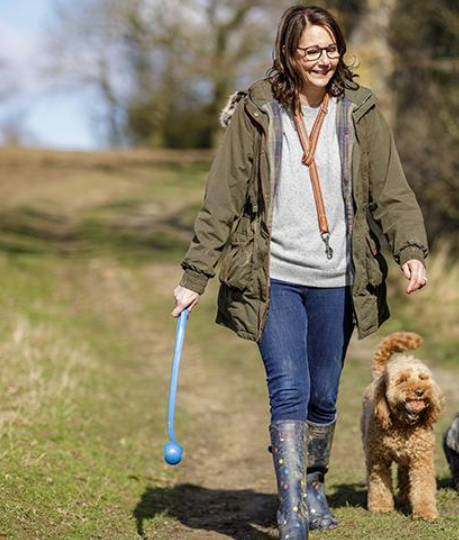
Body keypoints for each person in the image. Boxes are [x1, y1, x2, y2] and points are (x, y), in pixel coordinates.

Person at [170, 5, 428, 539]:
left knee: (324, 395)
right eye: (311, 51)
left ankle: (311, 482)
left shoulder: (358, 110)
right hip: (274, 277)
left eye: (331, 49)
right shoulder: (257, 111)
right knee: (288, 387)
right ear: (288, 54)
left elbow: (391, 190)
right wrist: (195, 276)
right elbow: (222, 197)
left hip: (337, 277)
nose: (323, 60)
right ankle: (290, 512)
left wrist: (410, 249)